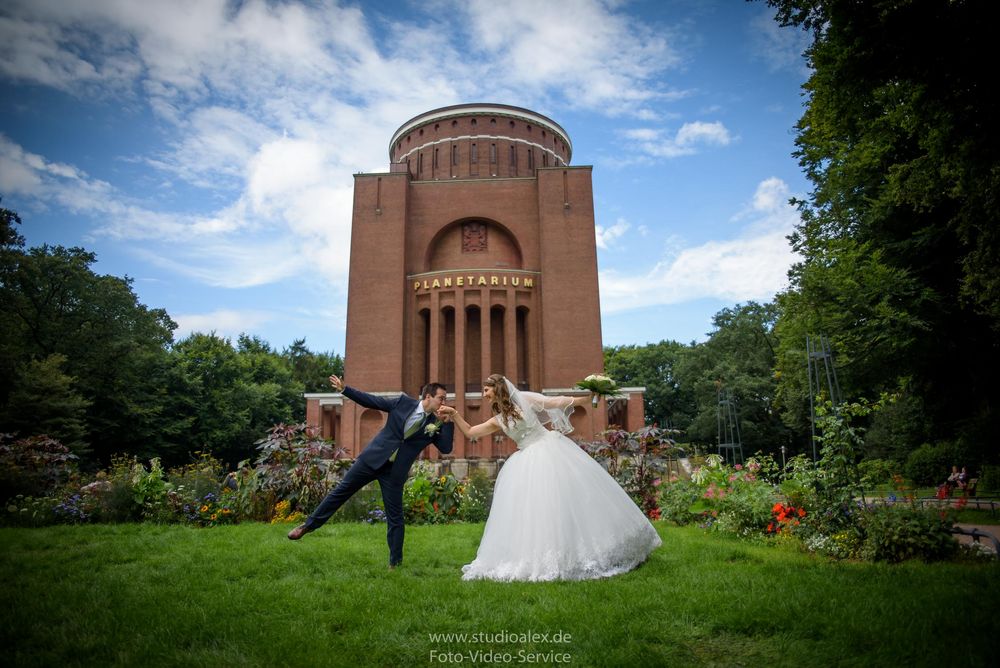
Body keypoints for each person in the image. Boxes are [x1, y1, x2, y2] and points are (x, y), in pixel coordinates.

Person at [436, 374, 661, 581]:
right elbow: (471, 432)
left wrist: (586, 400)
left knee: (569, 500)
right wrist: (455, 414)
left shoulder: (524, 399)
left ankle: (593, 548)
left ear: (498, 389)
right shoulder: (498, 419)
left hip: (549, 451)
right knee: (536, 511)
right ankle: (546, 556)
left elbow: (555, 402)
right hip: (525, 461)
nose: (484, 394)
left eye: (487, 390)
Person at [287, 375, 455, 569]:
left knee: (396, 518)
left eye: (445, 399)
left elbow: (446, 448)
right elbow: (372, 401)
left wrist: (448, 423)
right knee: (340, 492)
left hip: (394, 472)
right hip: (372, 459)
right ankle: (307, 526)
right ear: (428, 397)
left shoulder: (434, 424)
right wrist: (345, 389)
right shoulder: (402, 403)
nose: (445, 402)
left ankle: (395, 564)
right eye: (441, 398)